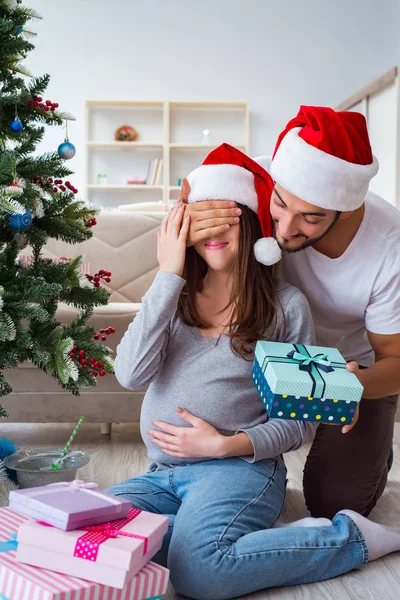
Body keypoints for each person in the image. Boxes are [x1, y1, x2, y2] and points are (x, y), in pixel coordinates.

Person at [107, 145, 400, 600]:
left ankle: (352, 538)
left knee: (199, 573)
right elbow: (130, 374)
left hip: (238, 470)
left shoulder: (284, 307)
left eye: (229, 216)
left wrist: (226, 445)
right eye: (203, 219)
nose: (214, 231)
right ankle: (198, 533)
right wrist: (167, 272)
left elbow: (296, 421)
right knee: (88, 532)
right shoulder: (174, 295)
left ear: (252, 224)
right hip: (162, 474)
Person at [182, 106, 400, 519]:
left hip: (349, 371)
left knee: (335, 505)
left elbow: (396, 360)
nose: (283, 229)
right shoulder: (254, 184)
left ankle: (373, 451)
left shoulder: (390, 248)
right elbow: (193, 211)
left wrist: (356, 385)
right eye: (280, 205)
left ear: (348, 209)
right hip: (266, 353)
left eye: (311, 218)